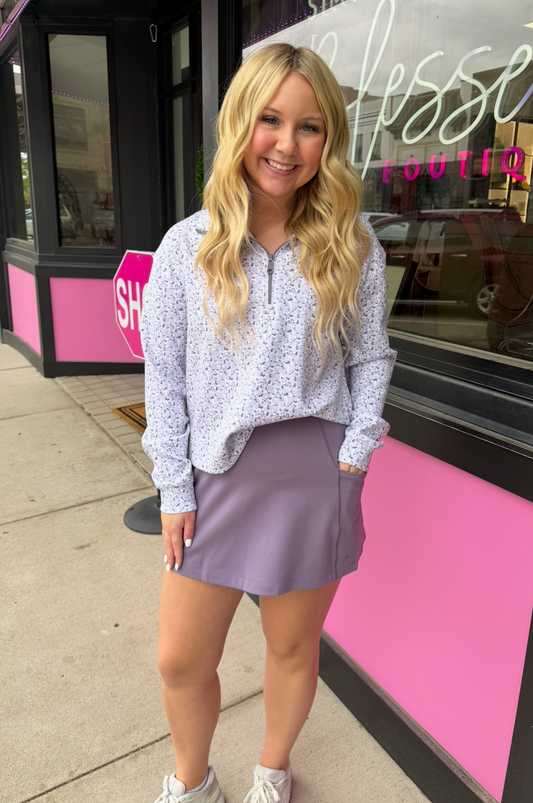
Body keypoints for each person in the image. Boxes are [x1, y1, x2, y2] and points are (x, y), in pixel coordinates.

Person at [140, 42, 396, 803]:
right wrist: (172, 485)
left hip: (313, 472)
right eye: (271, 120)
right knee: (179, 658)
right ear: (239, 124)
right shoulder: (185, 247)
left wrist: (352, 456)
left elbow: (371, 358)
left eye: (310, 127)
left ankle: (272, 771)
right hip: (213, 477)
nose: (286, 144)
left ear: (330, 140)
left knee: (290, 646)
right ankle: (192, 782)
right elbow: (164, 378)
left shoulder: (351, 245)